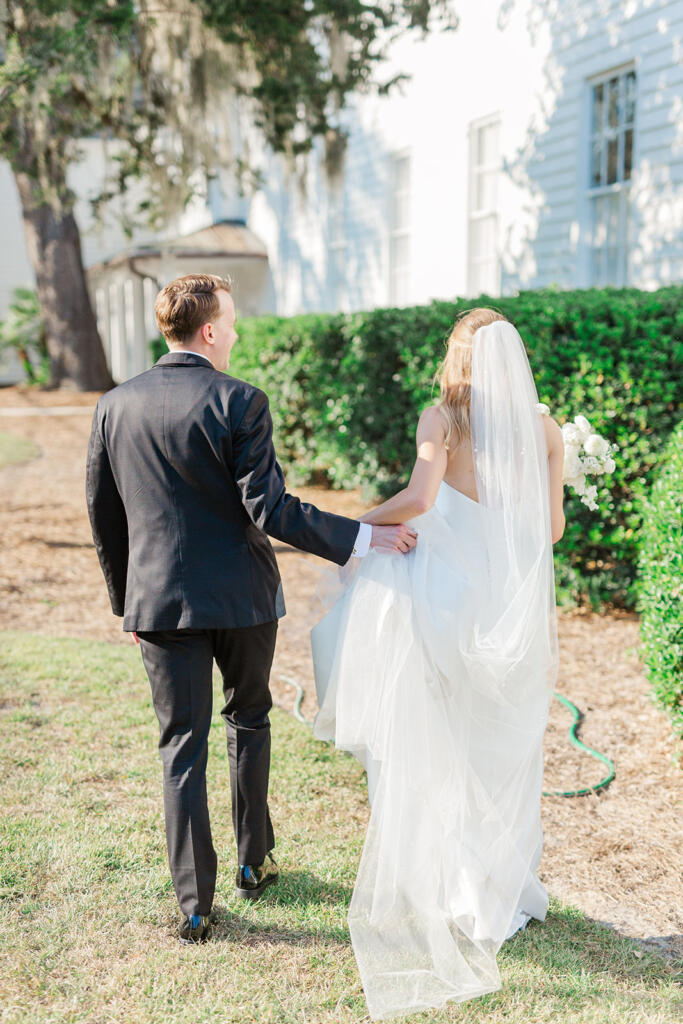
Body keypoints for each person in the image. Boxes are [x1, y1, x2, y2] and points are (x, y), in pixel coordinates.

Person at [85, 273, 417, 945]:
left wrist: (128, 603)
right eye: (230, 322)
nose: (234, 333)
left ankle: (194, 906)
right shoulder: (240, 401)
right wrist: (359, 535)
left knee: (180, 746)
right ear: (208, 330)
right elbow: (269, 510)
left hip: (158, 602)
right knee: (249, 720)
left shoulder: (115, 405)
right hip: (241, 597)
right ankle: (252, 860)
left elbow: (104, 517)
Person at [312, 308, 565, 1019]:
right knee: (502, 745)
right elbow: (546, 531)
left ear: (455, 355)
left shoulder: (441, 421)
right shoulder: (542, 431)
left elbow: (420, 500)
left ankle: (453, 886)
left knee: (442, 738)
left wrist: (359, 521)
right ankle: (502, 890)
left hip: (445, 601)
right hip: (504, 607)